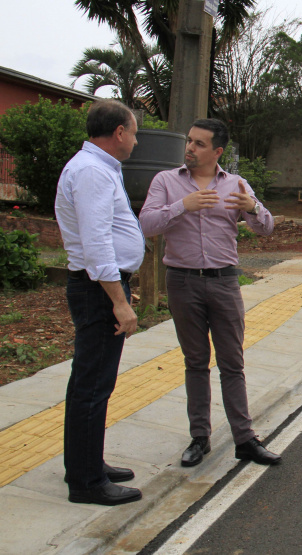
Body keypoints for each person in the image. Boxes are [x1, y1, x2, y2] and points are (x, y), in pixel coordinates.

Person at [139, 118, 281, 467]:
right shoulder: (166, 181)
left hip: (224, 283)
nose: (190, 148)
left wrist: (253, 208)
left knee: (232, 363)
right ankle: (199, 438)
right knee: (196, 362)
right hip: (182, 282)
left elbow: (266, 228)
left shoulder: (236, 184)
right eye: (189, 141)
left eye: (199, 144)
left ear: (217, 151)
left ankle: (244, 439)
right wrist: (182, 206)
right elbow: (146, 224)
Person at [55, 99, 145, 506]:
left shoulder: (97, 167)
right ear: (119, 132)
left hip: (97, 287)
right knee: (92, 385)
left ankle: (86, 462)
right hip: (97, 290)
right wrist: (119, 302)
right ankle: (86, 482)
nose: (136, 141)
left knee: (90, 382)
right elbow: (96, 244)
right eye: (134, 132)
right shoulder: (92, 171)